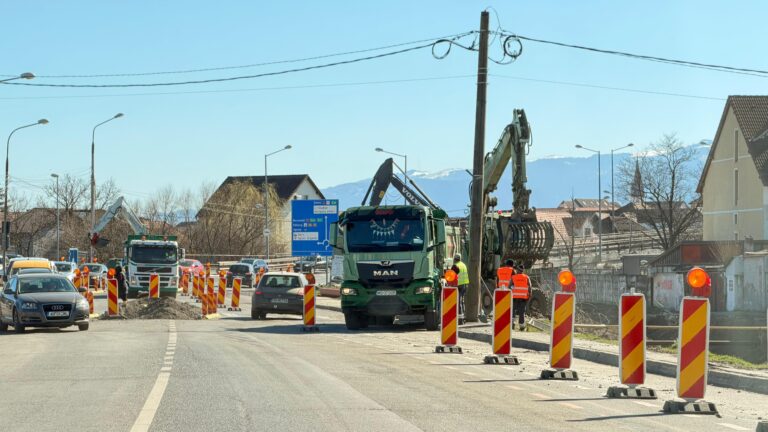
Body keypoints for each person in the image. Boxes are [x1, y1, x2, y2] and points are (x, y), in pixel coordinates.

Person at [511, 265, 532, 330]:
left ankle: (512, 325)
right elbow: (530, 288)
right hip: (523, 298)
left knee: (513, 311)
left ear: (517, 270)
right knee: (521, 312)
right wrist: (529, 296)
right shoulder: (526, 277)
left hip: (514, 298)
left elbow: (509, 287)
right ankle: (522, 326)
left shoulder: (513, 277)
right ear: (522, 271)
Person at [451, 253, 470, 318]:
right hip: (465, 284)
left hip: (458, 285)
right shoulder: (464, 265)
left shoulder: (455, 266)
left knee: (458, 300)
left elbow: (452, 276)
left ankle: (460, 315)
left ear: (454, 259)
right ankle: (463, 314)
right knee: (462, 299)